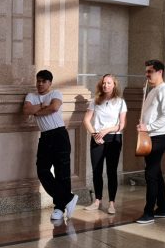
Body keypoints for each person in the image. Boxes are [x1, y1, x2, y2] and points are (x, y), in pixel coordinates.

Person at [23, 70, 79, 223]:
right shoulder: (32, 96)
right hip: (45, 136)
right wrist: (41, 105)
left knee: (62, 173)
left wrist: (37, 111)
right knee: (42, 171)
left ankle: (59, 208)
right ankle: (68, 198)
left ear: (50, 83)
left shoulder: (56, 93)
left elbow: (54, 108)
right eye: (38, 81)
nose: (40, 84)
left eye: (44, 81)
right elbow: (26, 110)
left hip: (59, 135)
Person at [136, 59, 165, 224]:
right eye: (146, 72)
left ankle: (149, 213)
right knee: (156, 173)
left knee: (150, 174)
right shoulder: (153, 90)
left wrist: (148, 126)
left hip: (157, 137)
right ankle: (163, 209)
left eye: (150, 71)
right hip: (150, 136)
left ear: (160, 72)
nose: (147, 74)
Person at [83, 74, 126, 214]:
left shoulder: (120, 102)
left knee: (111, 171)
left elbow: (122, 125)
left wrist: (107, 129)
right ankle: (97, 201)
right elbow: (86, 120)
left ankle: (112, 203)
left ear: (114, 85)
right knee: (97, 171)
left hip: (114, 139)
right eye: (104, 83)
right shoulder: (95, 101)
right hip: (97, 139)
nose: (105, 85)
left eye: (108, 83)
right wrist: (95, 134)